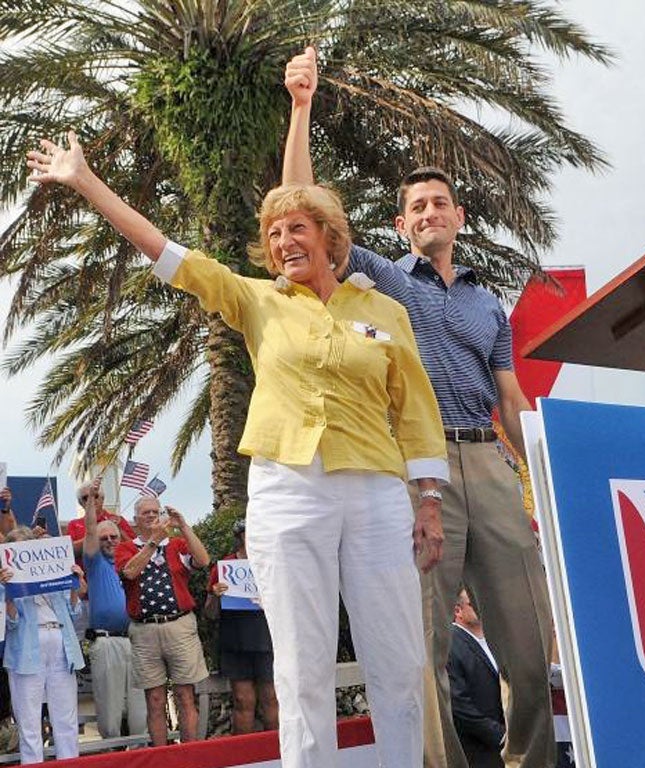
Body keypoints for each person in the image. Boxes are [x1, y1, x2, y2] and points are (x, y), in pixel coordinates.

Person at [27, 132, 449, 768]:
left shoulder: (384, 310)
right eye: (274, 233)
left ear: (330, 236)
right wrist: (85, 180)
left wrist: (430, 500)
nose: (284, 243)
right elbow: (168, 254)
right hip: (287, 491)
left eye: (297, 228)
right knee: (301, 666)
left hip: (376, 493)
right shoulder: (257, 300)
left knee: (397, 660)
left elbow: (415, 410)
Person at [284, 48, 556, 768]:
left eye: (439, 203)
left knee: (531, 653)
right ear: (402, 227)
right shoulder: (380, 279)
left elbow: (510, 399)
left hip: (490, 466)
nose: (429, 213)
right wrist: (302, 104)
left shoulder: (486, 302)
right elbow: (304, 211)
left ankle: (528, 759)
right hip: (415, 472)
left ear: (458, 217)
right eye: (416, 208)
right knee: (422, 653)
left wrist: (545, 487)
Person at [115, 497, 209, 745]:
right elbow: (130, 572)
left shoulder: (176, 545)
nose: (152, 515)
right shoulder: (126, 548)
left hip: (179, 625)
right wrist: (153, 541)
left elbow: (203, 561)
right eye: (146, 512)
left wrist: (185, 527)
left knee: (185, 695)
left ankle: (190, 757)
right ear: (135, 520)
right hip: (145, 630)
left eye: (156, 512)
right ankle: (161, 757)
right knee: (154, 699)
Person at [1, 527, 85, 764]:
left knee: (66, 717)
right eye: (15, 547)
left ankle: (70, 762)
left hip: (61, 642)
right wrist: (7, 593)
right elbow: (11, 623)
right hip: (26, 649)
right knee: (28, 719)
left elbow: (74, 612)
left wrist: (73, 585)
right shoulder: (4, 579)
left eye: (25, 546)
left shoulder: (53, 573)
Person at [80, 479, 147, 738]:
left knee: (141, 707)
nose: (109, 540)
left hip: (138, 639)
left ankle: (142, 754)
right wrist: (91, 502)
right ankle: (112, 753)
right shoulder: (95, 563)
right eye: (104, 537)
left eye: (114, 536)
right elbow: (88, 532)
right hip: (106, 642)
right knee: (110, 708)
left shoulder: (134, 562)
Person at [204, 519, 278, 734]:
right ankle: (246, 756)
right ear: (240, 537)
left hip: (267, 637)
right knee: (242, 700)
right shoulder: (225, 567)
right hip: (235, 638)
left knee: (271, 698)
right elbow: (210, 614)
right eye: (246, 533)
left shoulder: (271, 564)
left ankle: (277, 754)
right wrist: (214, 595)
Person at [447, 589, 504, 768]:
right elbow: (459, 704)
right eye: (473, 604)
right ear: (458, 611)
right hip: (478, 750)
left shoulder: (495, 639)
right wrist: (499, 734)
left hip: (506, 748)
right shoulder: (451, 644)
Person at [67, 482, 135, 555]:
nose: (91, 500)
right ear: (81, 503)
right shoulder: (74, 524)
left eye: (95, 496)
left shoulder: (118, 520)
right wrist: (97, 535)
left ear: (102, 499)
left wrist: (119, 530)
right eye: (85, 498)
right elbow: (69, 551)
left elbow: (135, 548)